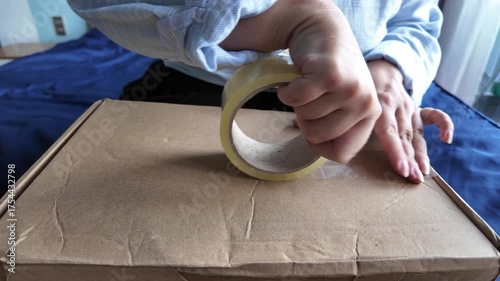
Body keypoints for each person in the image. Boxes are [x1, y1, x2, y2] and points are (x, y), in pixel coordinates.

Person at [68, 0, 454, 183]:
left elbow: (415, 21)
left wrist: (390, 67)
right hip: (201, 79)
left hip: (359, 95)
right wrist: (287, 15)